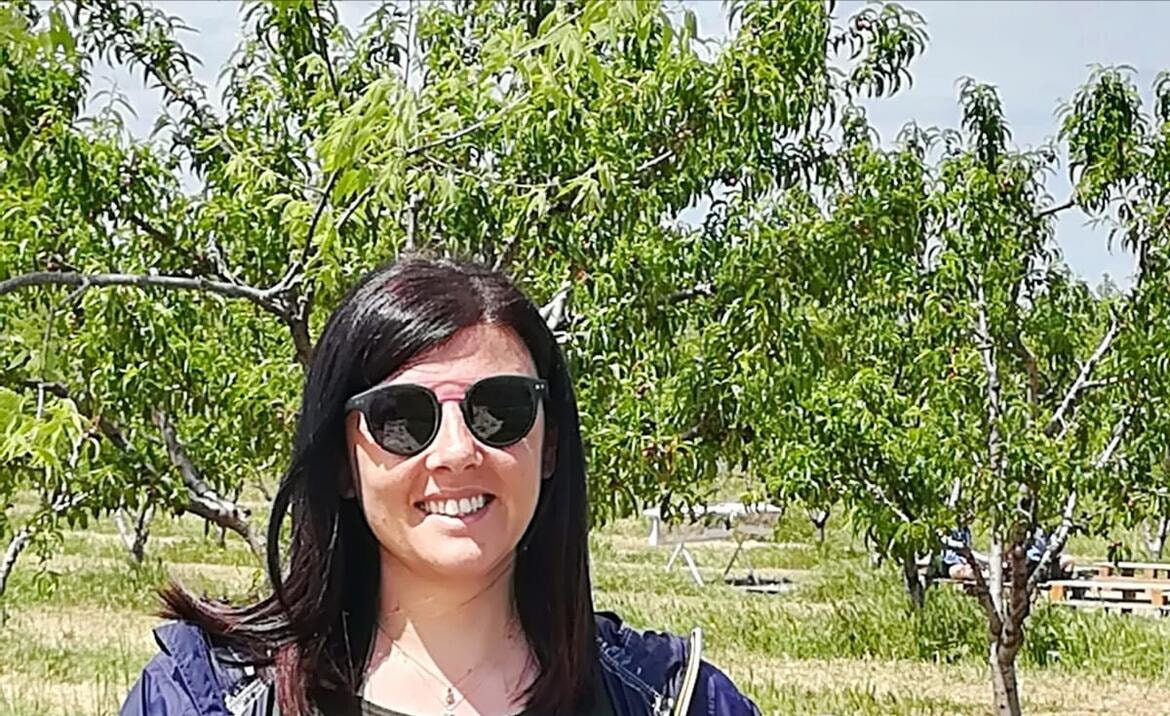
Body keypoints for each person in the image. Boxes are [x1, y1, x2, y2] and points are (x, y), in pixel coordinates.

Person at [120, 256, 760, 716]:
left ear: (550, 446)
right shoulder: (204, 698)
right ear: (342, 460)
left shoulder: (678, 701)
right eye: (401, 417)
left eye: (500, 410)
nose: (456, 451)